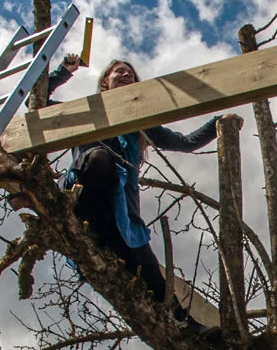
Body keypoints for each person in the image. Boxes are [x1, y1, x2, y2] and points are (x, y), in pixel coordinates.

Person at [49, 57, 221, 324]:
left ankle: (188, 326)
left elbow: (185, 142)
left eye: (131, 74)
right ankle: (87, 225)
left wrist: (219, 122)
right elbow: (38, 104)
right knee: (100, 159)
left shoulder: (140, 125)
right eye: (120, 71)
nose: (127, 75)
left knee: (150, 272)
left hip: (120, 214)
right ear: (105, 82)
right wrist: (63, 71)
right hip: (87, 197)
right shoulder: (88, 113)